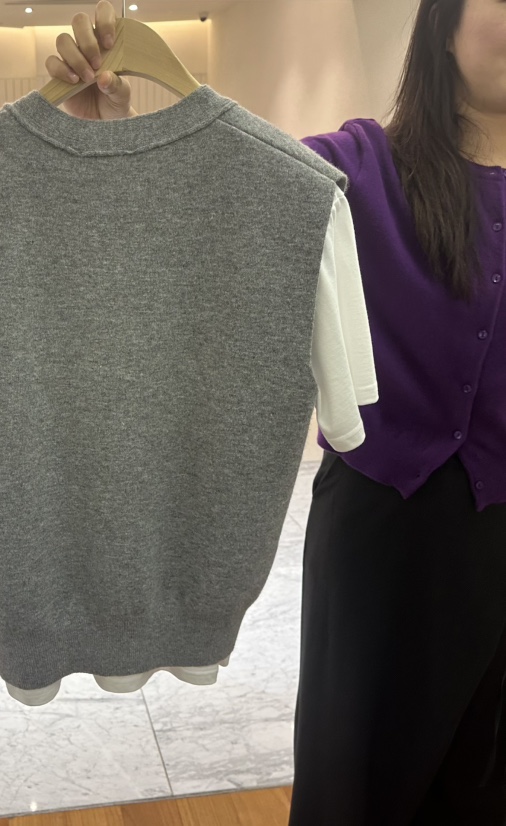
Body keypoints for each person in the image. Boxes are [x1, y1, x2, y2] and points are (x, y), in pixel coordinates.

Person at [45, 1, 506, 823]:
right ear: (444, 22)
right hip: (382, 538)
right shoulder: (357, 168)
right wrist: (110, 143)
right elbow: (205, 205)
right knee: (353, 782)